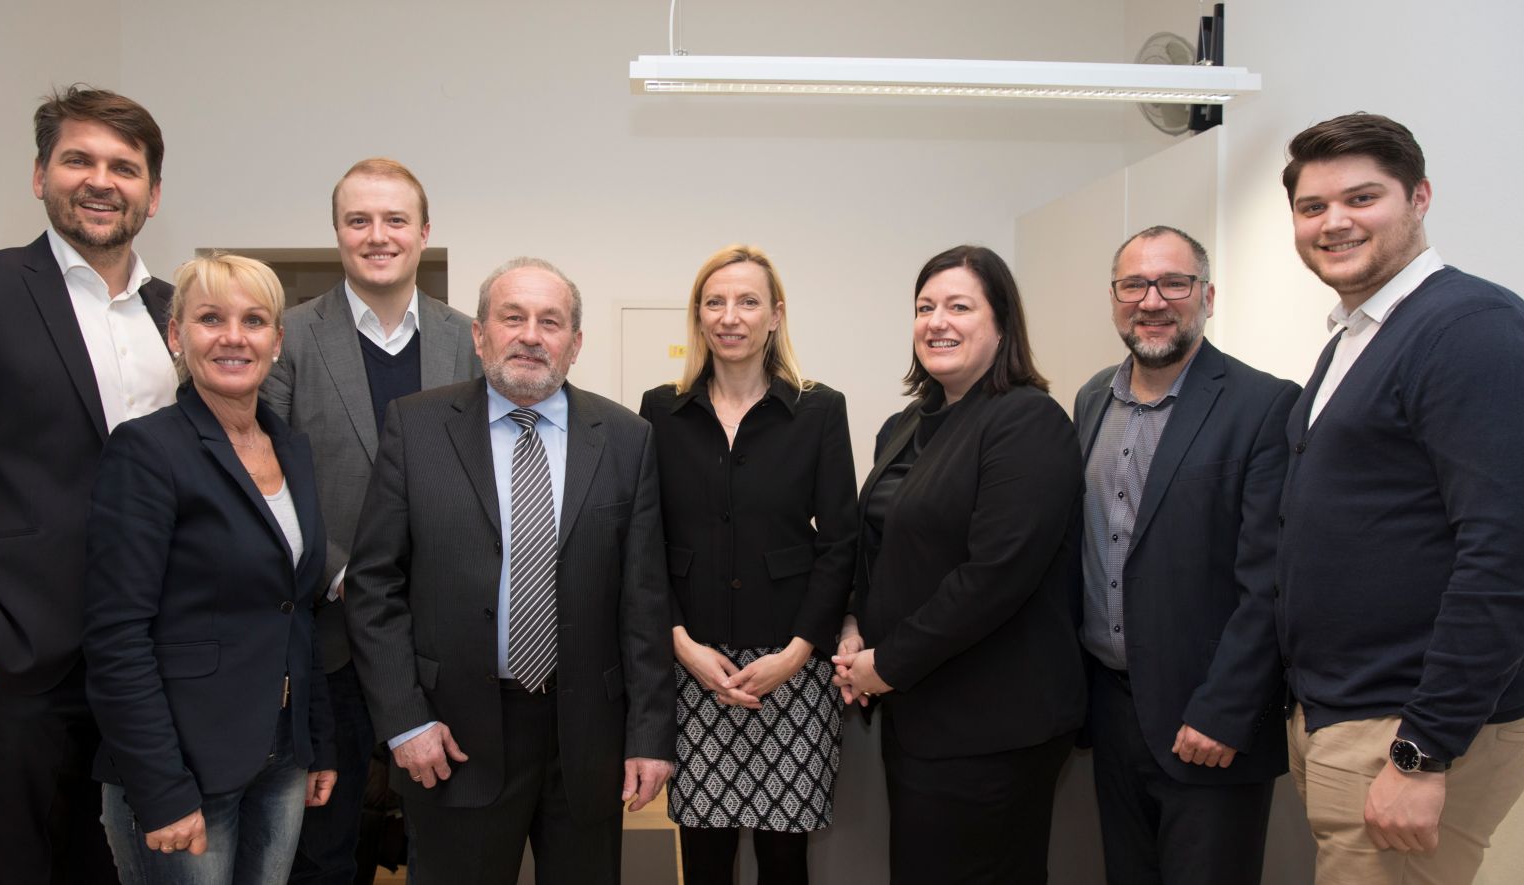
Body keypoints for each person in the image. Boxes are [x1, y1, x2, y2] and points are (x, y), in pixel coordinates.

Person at [0, 85, 175, 885]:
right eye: (77, 158)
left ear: (153, 192)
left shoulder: (174, 313)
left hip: (153, 645)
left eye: (125, 165)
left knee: (127, 854)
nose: (101, 179)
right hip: (29, 654)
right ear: (40, 175)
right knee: (29, 858)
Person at [1276, 112, 1524, 885]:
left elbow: (1511, 559)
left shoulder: (1473, 329)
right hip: (1348, 715)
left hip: (1406, 727)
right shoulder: (1356, 333)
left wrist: (1422, 747)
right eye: (1312, 207)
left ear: (1420, 197)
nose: (1334, 221)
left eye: (1361, 197)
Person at [345, 257, 675, 884]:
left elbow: (644, 602)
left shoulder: (626, 438)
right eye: (512, 317)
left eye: (550, 322)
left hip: (587, 739)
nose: (530, 335)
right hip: (451, 735)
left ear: (575, 344)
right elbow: (373, 586)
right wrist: (404, 719)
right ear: (479, 334)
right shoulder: (416, 427)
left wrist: (650, 735)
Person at [833, 244, 1084, 884]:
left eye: (959, 306)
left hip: (993, 724)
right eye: (925, 307)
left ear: (1001, 324)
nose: (937, 321)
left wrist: (885, 665)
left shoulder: (1028, 421)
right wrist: (855, 623)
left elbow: (995, 576)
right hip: (919, 712)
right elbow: (880, 545)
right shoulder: (905, 423)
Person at [262, 156, 481, 885]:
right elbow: (261, 475)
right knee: (326, 840)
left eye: (395, 219)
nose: (378, 235)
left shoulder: (469, 339)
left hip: (444, 635)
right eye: (359, 219)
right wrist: (341, 570)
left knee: (443, 836)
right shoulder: (286, 338)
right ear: (337, 232)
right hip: (329, 635)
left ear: (424, 232)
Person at [83, 253, 337, 883]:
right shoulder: (147, 451)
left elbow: (298, 608)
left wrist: (316, 740)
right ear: (176, 335)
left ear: (277, 342)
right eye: (209, 318)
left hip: (279, 755)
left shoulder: (292, 449)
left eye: (254, 320)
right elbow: (117, 636)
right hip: (185, 767)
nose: (233, 336)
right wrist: (161, 789)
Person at [1073, 226, 1298, 884]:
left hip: (1207, 716)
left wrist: (1225, 709)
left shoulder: (1264, 404)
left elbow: (1269, 580)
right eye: (1133, 284)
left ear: (1207, 295)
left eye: (1174, 282)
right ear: (1114, 297)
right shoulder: (1092, 399)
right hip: (1111, 708)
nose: (1152, 300)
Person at [639, 245, 857, 884]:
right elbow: (645, 542)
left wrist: (796, 654)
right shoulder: (661, 410)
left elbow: (840, 541)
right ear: (698, 316)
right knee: (705, 856)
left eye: (747, 301)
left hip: (791, 667)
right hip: (694, 667)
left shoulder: (818, 408)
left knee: (784, 857)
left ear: (775, 315)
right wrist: (681, 645)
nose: (730, 316)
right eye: (715, 302)